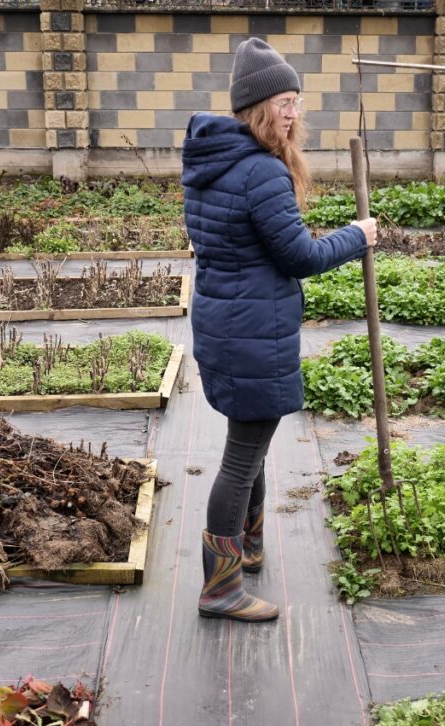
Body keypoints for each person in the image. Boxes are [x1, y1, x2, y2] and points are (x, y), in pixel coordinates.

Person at [181, 37, 377, 622]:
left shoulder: (211, 164)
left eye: (297, 101)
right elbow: (299, 255)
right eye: (284, 102)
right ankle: (220, 589)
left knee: (251, 445)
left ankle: (251, 547)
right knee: (242, 459)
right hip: (252, 333)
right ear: (257, 107)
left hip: (225, 324)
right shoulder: (261, 171)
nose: (294, 114)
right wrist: (358, 235)